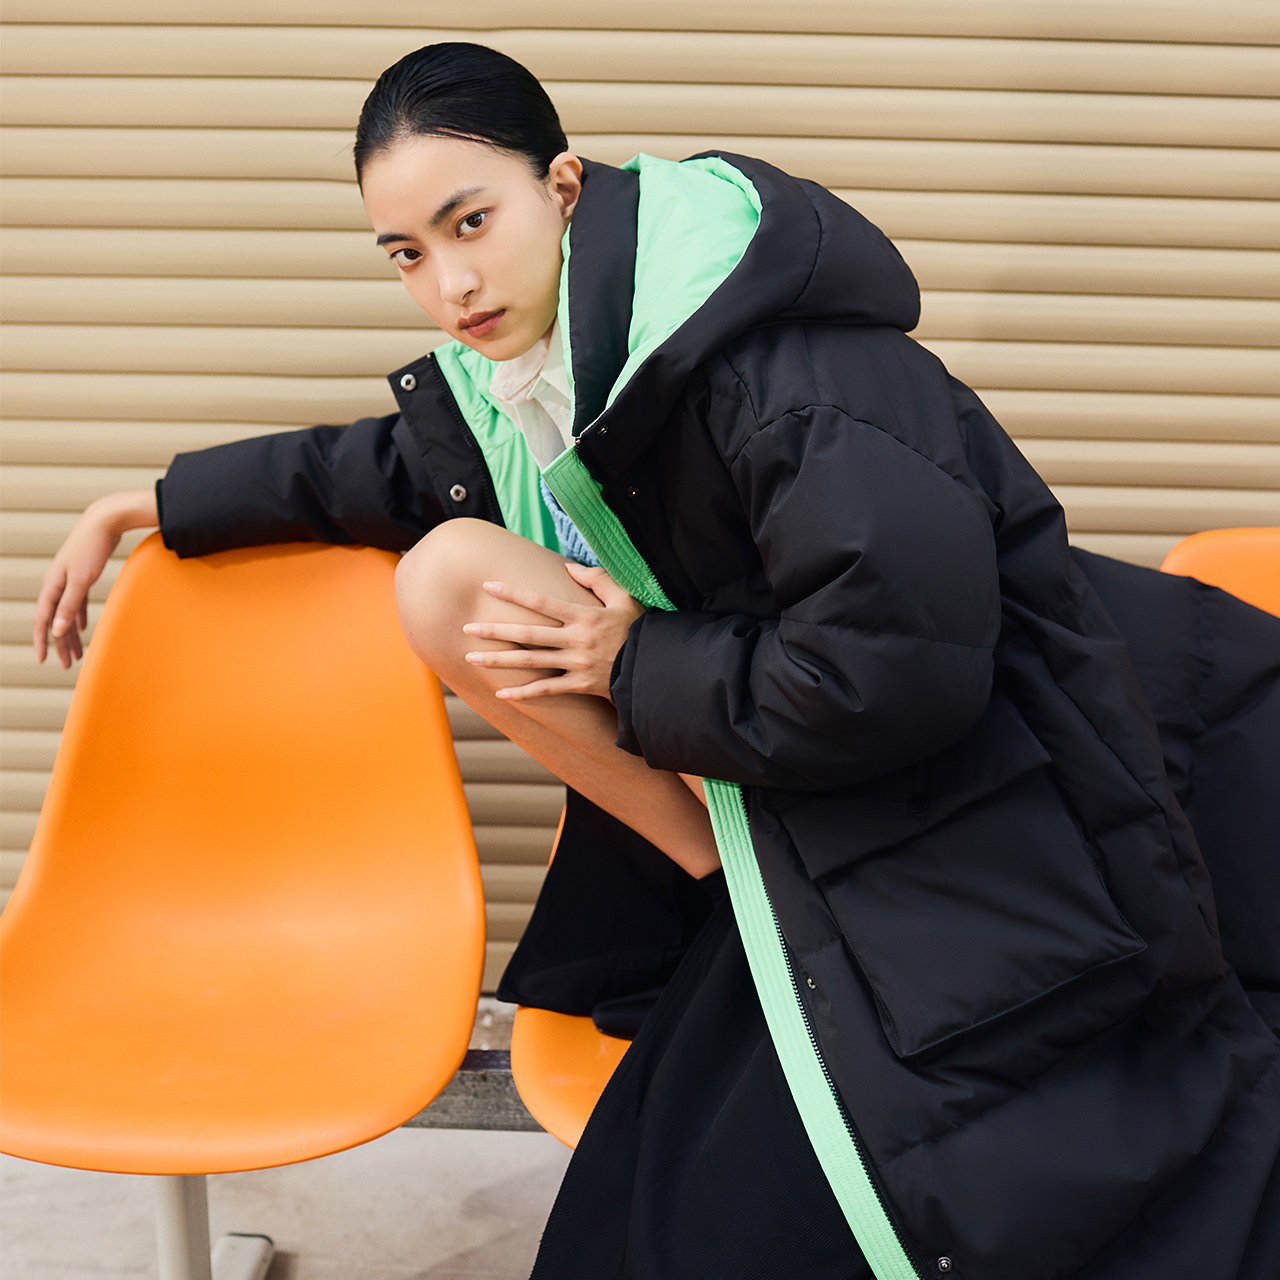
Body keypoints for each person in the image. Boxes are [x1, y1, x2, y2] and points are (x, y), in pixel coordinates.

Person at [32, 42, 1280, 1280]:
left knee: (887, 1181)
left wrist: (634, 661)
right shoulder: (529, 379)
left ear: (562, 187)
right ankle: (740, 894)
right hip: (811, 766)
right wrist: (145, 503)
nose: (449, 282)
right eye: (406, 253)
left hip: (1035, 756)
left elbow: (895, 670)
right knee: (445, 573)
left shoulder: (788, 369)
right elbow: (370, 468)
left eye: (471, 221)